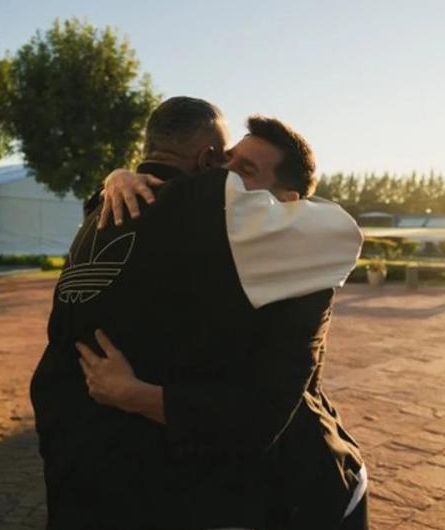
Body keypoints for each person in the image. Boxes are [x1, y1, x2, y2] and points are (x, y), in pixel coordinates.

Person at [30, 97, 366, 529]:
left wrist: (142, 397)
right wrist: (118, 178)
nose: (221, 178)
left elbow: (264, 410)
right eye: (225, 162)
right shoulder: (158, 209)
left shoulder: (297, 263)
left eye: (242, 170)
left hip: (300, 487)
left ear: (289, 203)